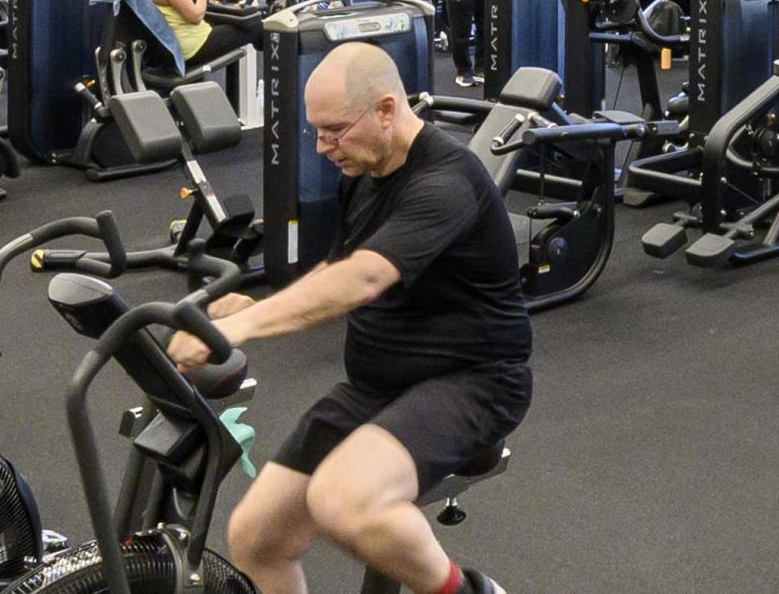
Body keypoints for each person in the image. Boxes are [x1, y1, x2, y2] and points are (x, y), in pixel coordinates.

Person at [166, 43, 530, 594]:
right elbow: (340, 267)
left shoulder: (448, 181)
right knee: (255, 536)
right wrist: (253, 305)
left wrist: (241, 328)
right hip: (375, 386)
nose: (322, 146)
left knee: (342, 500)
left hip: (473, 382)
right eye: (316, 130)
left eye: (335, 129)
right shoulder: (364, 172)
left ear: (386, 109)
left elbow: (364, 278)